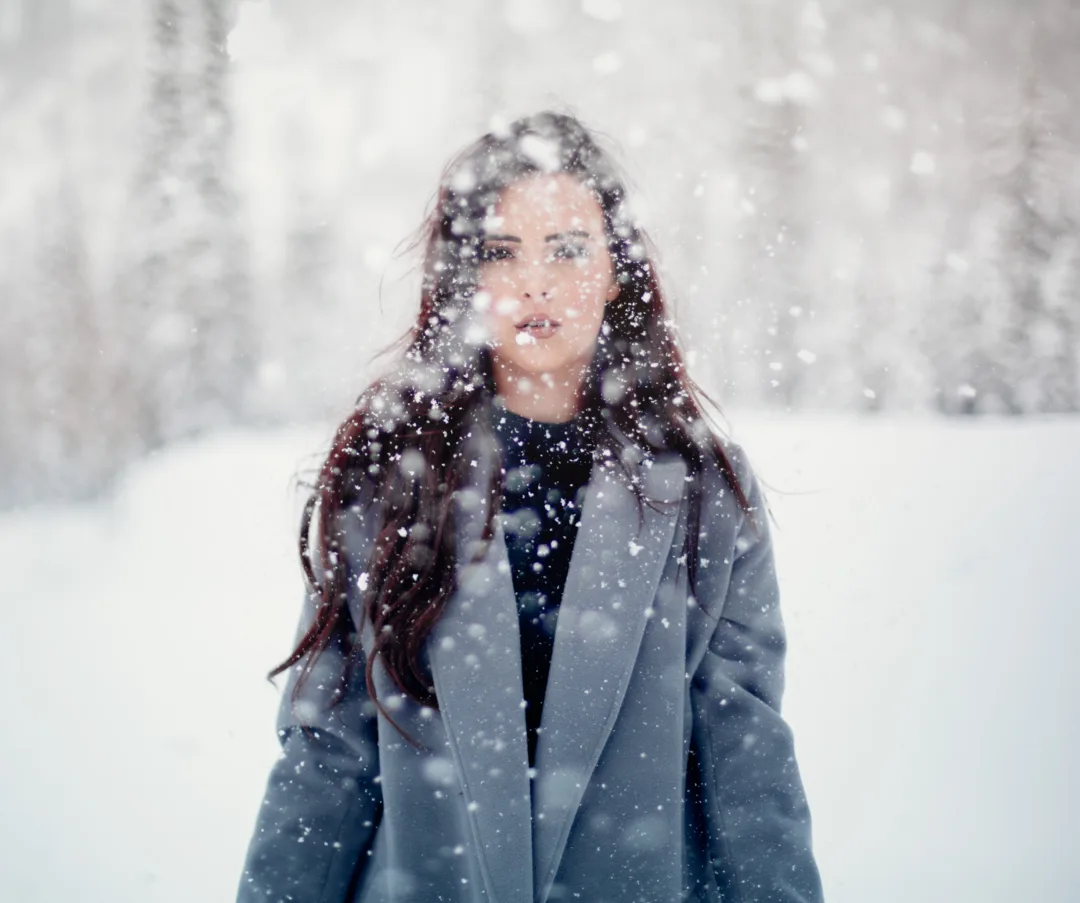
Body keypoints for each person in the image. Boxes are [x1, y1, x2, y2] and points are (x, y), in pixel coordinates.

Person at [236, 110, 824, 903]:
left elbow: (746, 753)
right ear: (461, 276)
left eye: (568, 248)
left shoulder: (702, 489)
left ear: (618, 268)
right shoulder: (391, 479)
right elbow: (326, 756)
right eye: (499, 251)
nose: (533, 282)